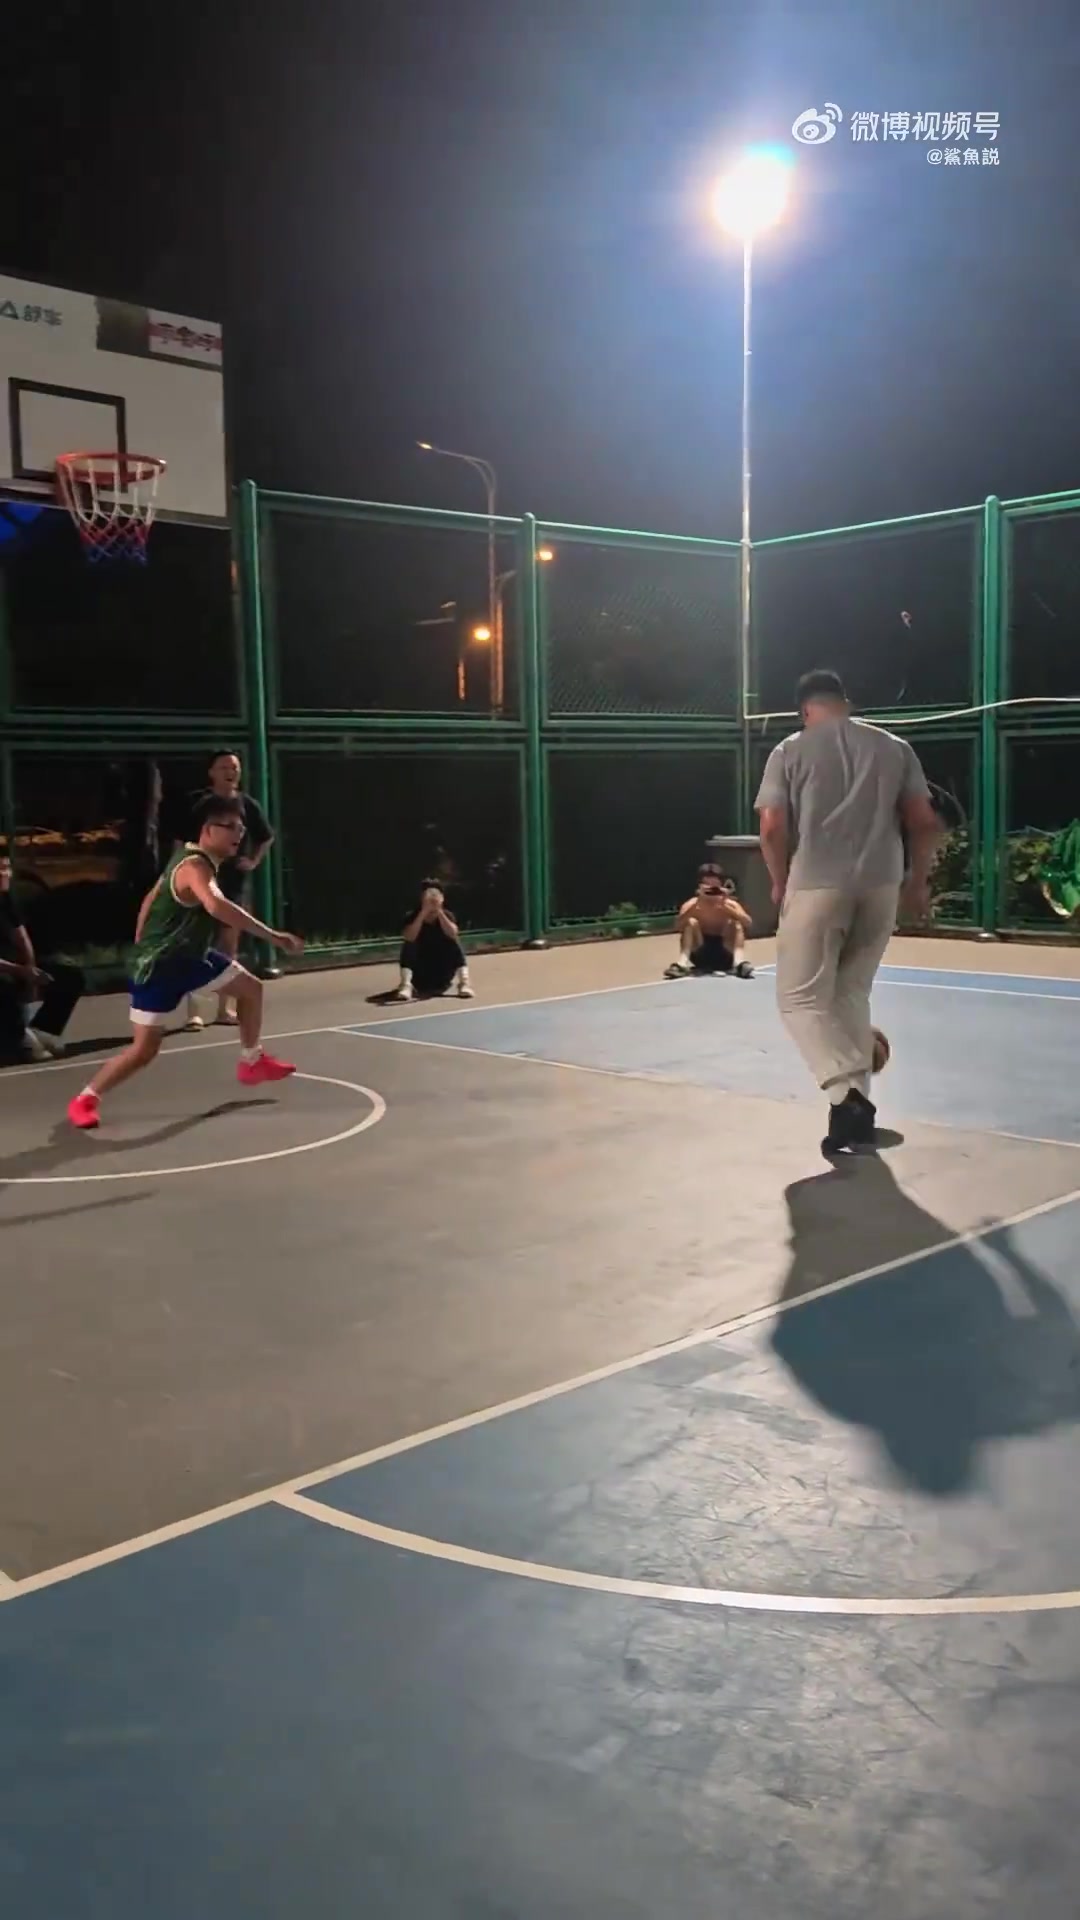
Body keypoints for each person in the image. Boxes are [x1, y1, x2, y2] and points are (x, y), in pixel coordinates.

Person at [755, 669, 941, 1154]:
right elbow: (923, 821)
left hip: (818, 881)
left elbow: (772, 826)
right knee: (851, 993)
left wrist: (779, 880)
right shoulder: (895, 748)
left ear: (804, 709)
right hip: (881, 884)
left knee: (798, 1000)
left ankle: (845, 1095)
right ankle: (855, 1117)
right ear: (846, 701)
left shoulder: (789, 750)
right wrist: (917, 881)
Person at [67, 797, 302, 1130]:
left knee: (251, 988)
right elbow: (217, 907)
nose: (238, 834)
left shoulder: (188, 858)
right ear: (207, 830)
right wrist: (274, 936)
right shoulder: (195, 867)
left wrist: (141, 935)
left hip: (192, 957)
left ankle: (252, 1061)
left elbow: (152, 896)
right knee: (143, 1051)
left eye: (241, 828)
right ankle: (85, 1099)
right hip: (159, 968)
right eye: (230, 827)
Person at [183, 750, 275, 1030]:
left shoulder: (248, 804)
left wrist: (253, 861)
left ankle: (225, 1009)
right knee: (196, 945)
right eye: (224, 766)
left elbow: (266, 837)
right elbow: (181, 840)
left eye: (235, 767)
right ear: (211, 772)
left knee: (228, 948)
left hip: (234, 884)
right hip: (202, 880)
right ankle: (194, 1013)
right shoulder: (200, 803)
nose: (231, 771)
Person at [0, 853, 84, 1062]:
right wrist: (20, 971)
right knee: (4, 983)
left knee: (69, 975)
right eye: (0, 870)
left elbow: (22, 937)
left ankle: (42, 1030)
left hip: (12, 965)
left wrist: (31, 970)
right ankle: (17, 1041)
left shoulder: (5, 899)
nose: (6, 874)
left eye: (7, 868)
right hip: (4, 970)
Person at [664, 864, 754, 979]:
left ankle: (738, 963)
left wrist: (726, 907)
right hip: (700, 952)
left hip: (725, 953)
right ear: (700, 887)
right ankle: (682, 964)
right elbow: (678, 926)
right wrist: (698, 904)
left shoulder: (730, 905)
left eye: (714, 886)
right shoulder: (692, 904)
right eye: (707, 885)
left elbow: (748, 923)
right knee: (690, 922)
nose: (711, 889)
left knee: (735, 923)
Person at [394, 881, 474, 1002]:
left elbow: (453, 933)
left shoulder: (447, 915)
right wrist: (423, 913)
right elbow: (409, 937)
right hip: (419, 974)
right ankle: (406, 985)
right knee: (409, 944)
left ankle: (464, 983)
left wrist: (439, 912)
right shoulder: (413, 916)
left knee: (454, 941)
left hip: (442, 973)